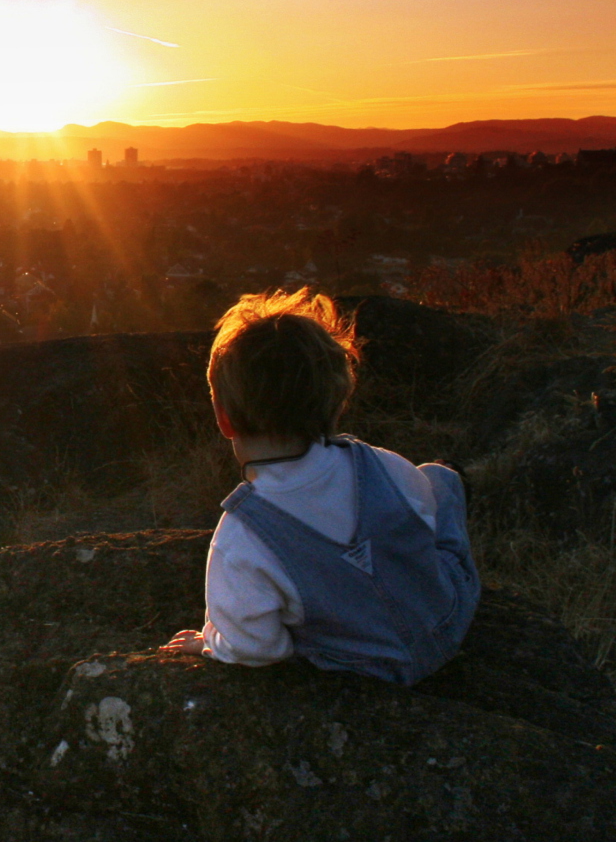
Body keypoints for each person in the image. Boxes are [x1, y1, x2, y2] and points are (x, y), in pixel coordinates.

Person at [159, 289, 479, 686]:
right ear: (336, 401)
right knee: (438, 479)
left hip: (362, 668)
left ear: (224, 420)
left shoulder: (242, 538)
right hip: (449, 621)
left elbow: (256, 648)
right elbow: (422, 528)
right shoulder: (381, 464)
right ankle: (452, 475)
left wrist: (211, 642)